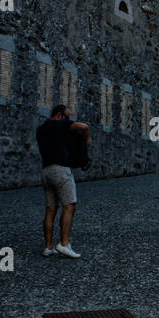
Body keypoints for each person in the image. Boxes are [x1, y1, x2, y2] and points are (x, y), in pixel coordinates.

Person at [36, 103, 90, 259]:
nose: (69, 120)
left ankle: (48, 247)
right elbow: (84, 127)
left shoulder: (41, 129)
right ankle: (64, 243)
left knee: (50, 209)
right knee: (70, 206)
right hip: (60, 170)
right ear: (60, 115)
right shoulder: (61, 124)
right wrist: (87, 142)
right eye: (67, 116)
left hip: (45, 171)